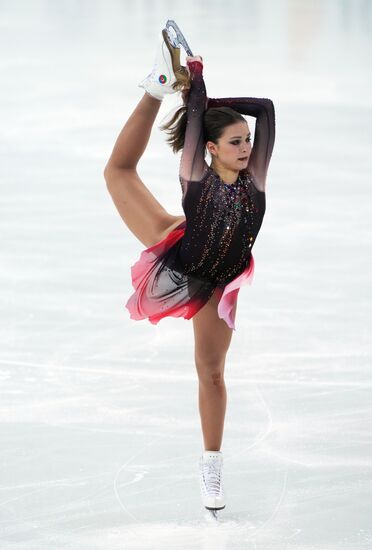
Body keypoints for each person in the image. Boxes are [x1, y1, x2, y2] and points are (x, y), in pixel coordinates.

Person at [104, 25, 275, 513]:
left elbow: (264, 107)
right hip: (182, 254)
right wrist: (188, 87)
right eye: (236, 141)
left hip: (219, 282)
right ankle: (156, 87)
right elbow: (198, 120)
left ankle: (211, 467)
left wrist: (207, 89)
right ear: (212, 149)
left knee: (211, 372)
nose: (246, 148)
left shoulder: (255, 179)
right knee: (117, 172)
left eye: (248, 141)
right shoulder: (194, 176)